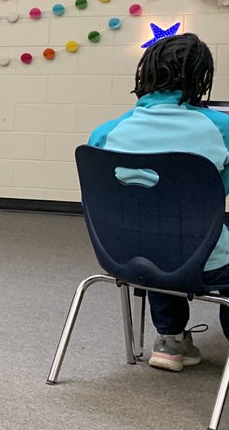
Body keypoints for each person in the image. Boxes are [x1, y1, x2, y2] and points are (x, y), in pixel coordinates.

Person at [88, 32, 229, 370]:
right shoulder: (221, 127)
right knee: (187, 235)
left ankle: (169, 338)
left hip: (123, 254)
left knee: (156, 232)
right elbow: (218, 192)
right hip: (201, 259)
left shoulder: (106, 132)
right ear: (200, 78)